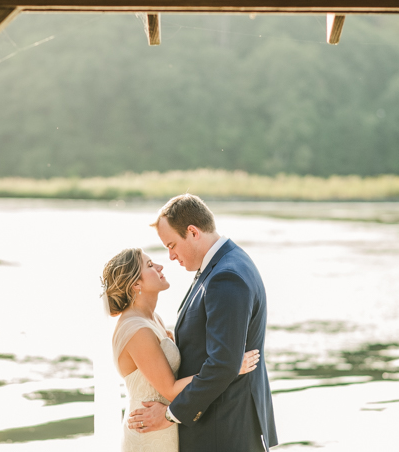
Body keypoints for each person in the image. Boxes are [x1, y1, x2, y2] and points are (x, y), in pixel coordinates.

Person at [127, 194, 278, 452]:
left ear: (193, 232)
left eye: (172, 245)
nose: (171, 256)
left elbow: (223, 364)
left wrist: (169, 415)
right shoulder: (223, 264)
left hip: (223, 430)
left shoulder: (226, 277)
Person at [102, 247, 261, 452]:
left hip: (164, 425)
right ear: (135, 284)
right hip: (148, 430)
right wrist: (230, 367)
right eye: (150, 265)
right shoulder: (136, 329)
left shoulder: (152, 319)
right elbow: (170, 388)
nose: (160, 266)